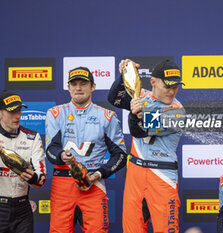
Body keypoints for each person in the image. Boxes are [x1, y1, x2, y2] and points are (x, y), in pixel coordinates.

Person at [45, 67, 127, 233]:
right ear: (68, 87)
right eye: (74, 84)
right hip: (63, 185)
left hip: (93, 182)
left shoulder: (107, 116)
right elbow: (50, 149)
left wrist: (99, 174)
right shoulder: (55, 113)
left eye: (83, 83)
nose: (78, 88)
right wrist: (61, 156)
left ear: (93, 87)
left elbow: (120, 155)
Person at [108, 59, 185, 233]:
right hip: (136, 171)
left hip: (162, 175)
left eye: (176, 87)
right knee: (132, 229)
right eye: (167, 86)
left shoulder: (176, 111)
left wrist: (136, 114)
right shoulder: (141, 95)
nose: (172, 91)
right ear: (153, 82)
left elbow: (139, 130)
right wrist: (126, 75)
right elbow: (114, 98)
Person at [0, 91, 46, 233]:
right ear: (0, 113)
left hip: (22, 210)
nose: (18, 116)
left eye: (19, 111)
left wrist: (32, 177)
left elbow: (41, 181)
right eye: (12, 112)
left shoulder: (32, 137)